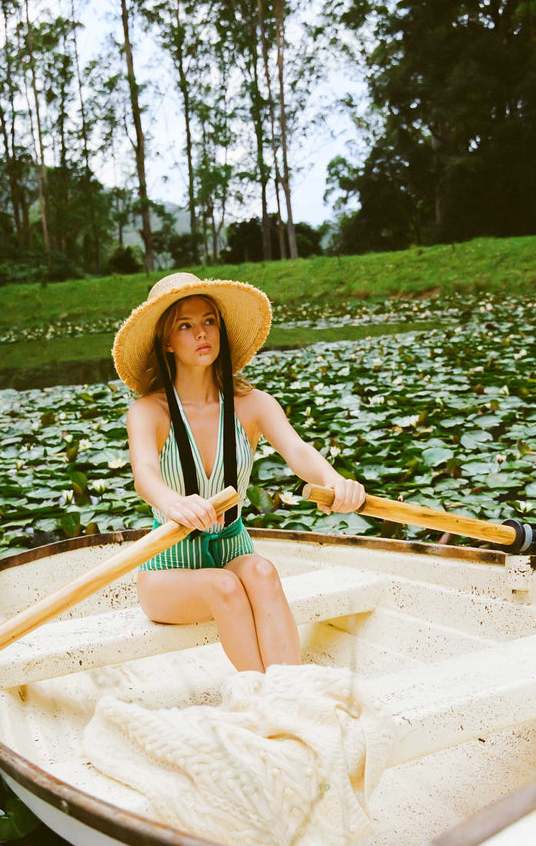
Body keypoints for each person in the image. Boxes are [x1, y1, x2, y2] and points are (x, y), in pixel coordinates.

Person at [112, 272, 365, 673]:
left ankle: (290, 690)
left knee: (262, 571)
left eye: (209, 320)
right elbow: (144, 474)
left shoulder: (253, 404)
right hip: (168, 569)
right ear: (167, 342)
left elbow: (298, 450)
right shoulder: (148, 411)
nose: (201, 333)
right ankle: (260, 697)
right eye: (185, 325)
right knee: (224, 586)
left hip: (233, 550)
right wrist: (174, 503)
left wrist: (334, 482)